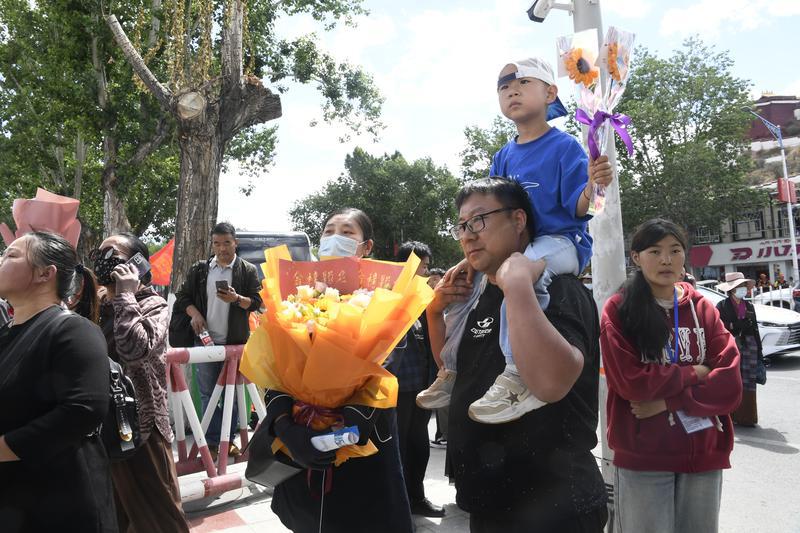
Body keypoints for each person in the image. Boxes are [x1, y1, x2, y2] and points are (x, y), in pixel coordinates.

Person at [417, 56, 613, 424]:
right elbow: (488, 210)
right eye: (504, 88)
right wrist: (471, 258)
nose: (512, 92)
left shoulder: (566, 147)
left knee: (517, 275)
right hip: (517, 250)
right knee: (462, 288)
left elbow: (583, 209)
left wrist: (594, 185)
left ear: (550, 93)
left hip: (561, 241)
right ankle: (451, 369)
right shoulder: (503, 156)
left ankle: (516, 374)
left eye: (523, 83)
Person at [429, 178, 607, 531]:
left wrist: (519, 285)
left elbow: (552, 383)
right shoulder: (479, 293)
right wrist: (435, 313)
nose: (467, 236)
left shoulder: (559, 289)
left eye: (479, 220)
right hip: (489, 503)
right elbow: (455, 370)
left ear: (519, 220)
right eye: (461, 226)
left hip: (553, 506)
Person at [262, 208, 414, 533]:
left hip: (359, 442)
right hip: (298, 435)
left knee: (360, 521)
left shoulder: (384, 302)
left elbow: (381, 372)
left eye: (347, 233)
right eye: (328, 231)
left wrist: (340, 431)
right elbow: (274, 366)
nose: (335, 239)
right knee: (303, 519)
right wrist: (285, 427)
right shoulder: (293, 298)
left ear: (366, 246)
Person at [600, 218, 743, 533]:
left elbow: (730, 384)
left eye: (675, 250)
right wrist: (697, 371)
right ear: (636, 257)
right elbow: (631, 382)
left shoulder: (703, 309)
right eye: (655, 251)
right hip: (644, 459)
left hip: (704, 453)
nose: (666, 259)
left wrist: (668, 402)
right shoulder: (620, 310)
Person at [0, 232, 117, 532]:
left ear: (45, 273)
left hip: (62, 504)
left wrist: (5, 447)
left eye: (11, 255)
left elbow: (83, 410)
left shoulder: (74, 331)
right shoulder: (7, 334)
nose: (1, 261)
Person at [92, 233, 190, 532]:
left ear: (137, 264)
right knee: (114, 514)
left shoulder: (153, 305)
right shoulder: (98, 305)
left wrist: (125, 295)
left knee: (159, 516)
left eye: (112, 255)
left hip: (140, 425)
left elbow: (134, 349)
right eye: (99, 254)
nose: (102, 261)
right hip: (102, 425)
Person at [173, 222, 262, 458]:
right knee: (207, 394)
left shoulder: (247, 270)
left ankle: (227, 440)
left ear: (235, 243)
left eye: (226, 243)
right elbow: (183, 297)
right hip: (204, 343)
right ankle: (213, 442)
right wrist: (195, 314)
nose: (221, 248)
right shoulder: (200, 270)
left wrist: (236, 298)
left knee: (232, 396)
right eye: (217, 243)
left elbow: (256, 302)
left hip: (234, 345)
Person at [388, 241, 444, 517]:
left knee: (419, 445)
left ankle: (417, 498)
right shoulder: (388, 296)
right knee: (397, 448)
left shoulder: (425, 297)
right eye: (422, 266)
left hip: (423, 384)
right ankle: (398, 505)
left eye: (426, 266)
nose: (425, 272)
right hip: (398, 386)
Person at [716, 272, 762, 427]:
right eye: (740, 286)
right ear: (732, 289)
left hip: (750, 347)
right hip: (731, 345)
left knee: (748, 382)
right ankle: (730, 416)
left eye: (744, 286)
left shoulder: (748, 306)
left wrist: (760, 351)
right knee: (732, 380)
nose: (743, 289)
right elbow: (720, 327)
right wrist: (734, 325)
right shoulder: (722, 306)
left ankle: (747, 417)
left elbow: (755, 329)